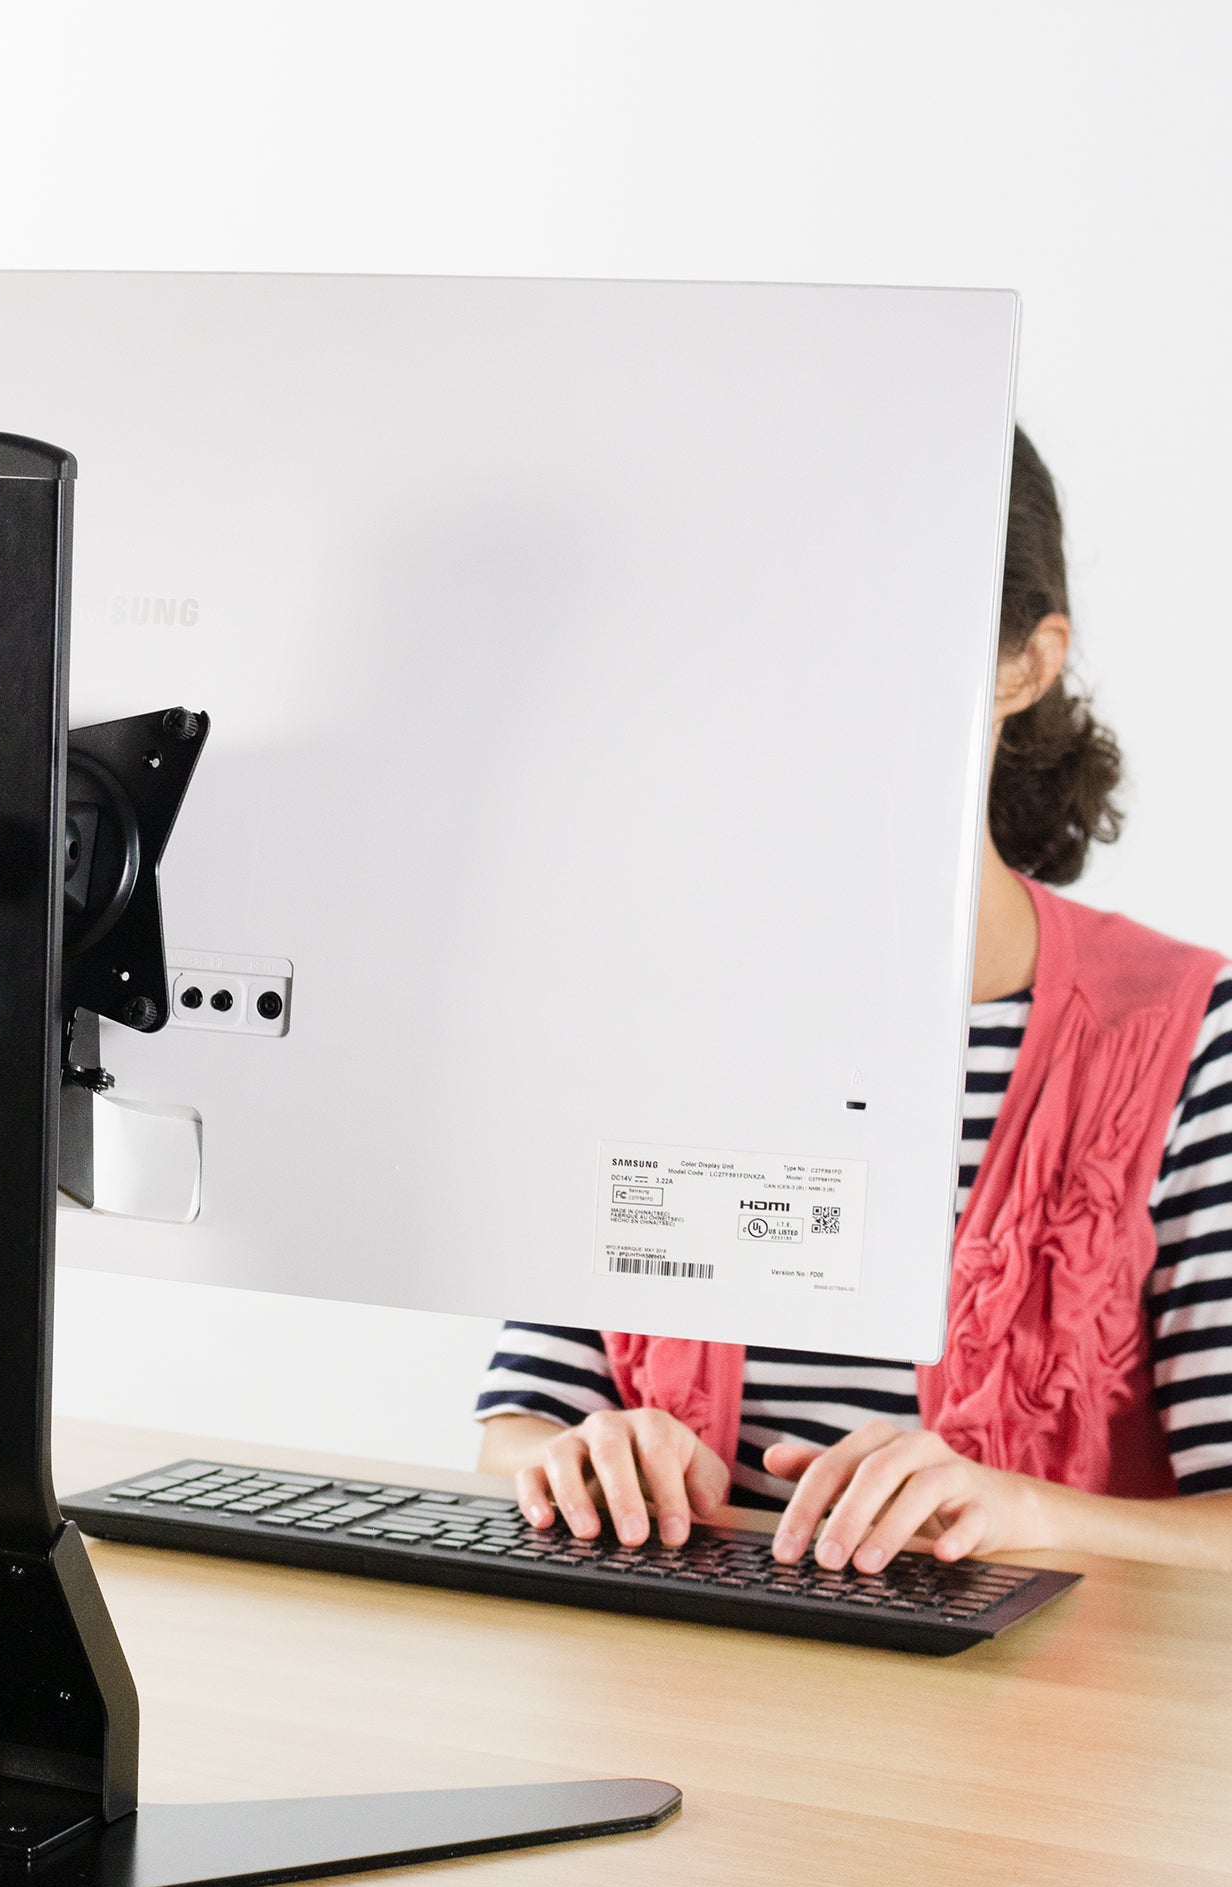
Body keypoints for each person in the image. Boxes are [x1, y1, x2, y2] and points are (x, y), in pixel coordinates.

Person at [477, 429, 1232, 1575]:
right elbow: (518, 1421)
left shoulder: (1183, 1033)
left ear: (1022, 666)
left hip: (1023, 1736)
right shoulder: (646, 1006)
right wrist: (583, 1452)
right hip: (667, 1689)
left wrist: (1027, 1512)